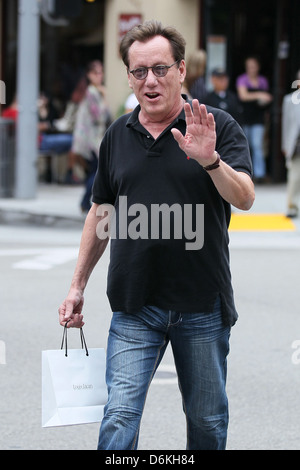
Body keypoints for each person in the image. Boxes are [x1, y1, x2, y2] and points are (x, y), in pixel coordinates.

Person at [58, 20, 255, 450]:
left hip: (201, 305)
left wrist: (210, 161)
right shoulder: (117, 135)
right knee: (118, 420)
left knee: (206, 424)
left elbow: (244, 197)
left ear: (182, 70)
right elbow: (101, 211)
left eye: (161, 69)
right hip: (135, 305)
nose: (150, 80)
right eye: (139, 71)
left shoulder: (216, 124)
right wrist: (77, 286)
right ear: (128, 76)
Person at [65, 60, 111, 212]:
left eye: (101, 72)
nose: (100, 76)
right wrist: (104, 97)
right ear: (89, 75)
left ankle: (86, 202)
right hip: (91, 141)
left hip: (88, 140)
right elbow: (100, 116)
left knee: (94, 171)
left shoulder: (89, 91)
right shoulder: (92, 92)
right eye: (96, 73)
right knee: (97, 172)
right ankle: (85, 202)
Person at [236, 56, 273, 182]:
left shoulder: (262, 81)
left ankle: (259, 174)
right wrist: (260, 94)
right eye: (249, 66)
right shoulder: (242, 79)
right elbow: (243, 96)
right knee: (246, 145)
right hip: (245, 117)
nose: (251, 69)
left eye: (254, 66)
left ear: (258, 67)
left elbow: (268, 98)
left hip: (259, 118)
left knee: (257, 145)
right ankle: (246, 172)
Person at [281, 70, 300, 218]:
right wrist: (285, 146)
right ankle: (292, 206)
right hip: (296, 144)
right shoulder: (290, 100)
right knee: (294, 176)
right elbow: (286, 124)